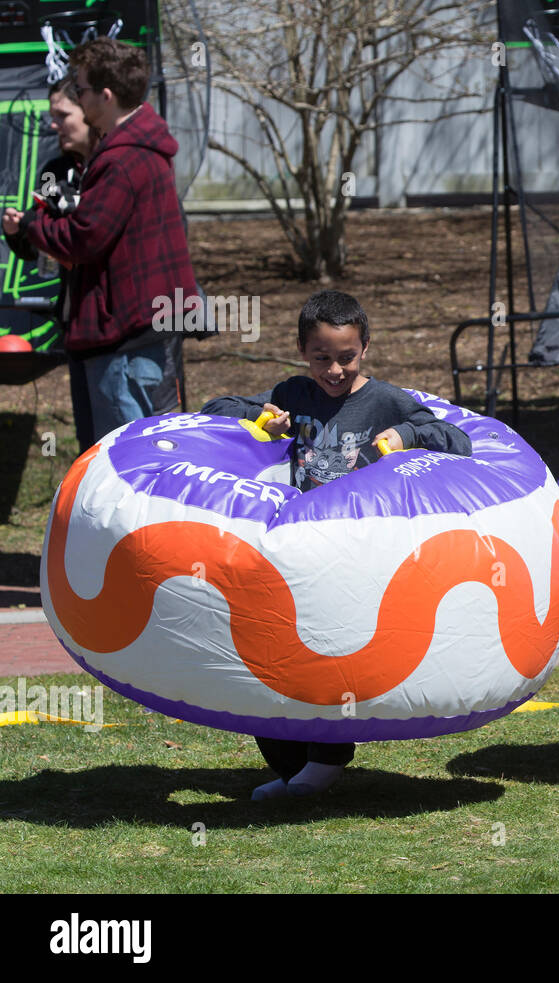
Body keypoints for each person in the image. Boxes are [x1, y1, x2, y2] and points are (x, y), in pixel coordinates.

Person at [202, 290, 474, 800]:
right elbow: (216, 407)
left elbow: (455, 439)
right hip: (299, 546)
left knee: (331, 654)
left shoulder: (385, 400)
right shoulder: (293, 392)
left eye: (346, 357)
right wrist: (262, 421)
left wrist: (402, 437)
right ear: (303, 350)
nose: (333, 369)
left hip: (356, 550)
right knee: (272, 652)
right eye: (321, 357)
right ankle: (291, 766)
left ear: (365, 348)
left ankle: (326, 760)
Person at [1, 37, 197, 444]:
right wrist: (31, 231)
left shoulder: (122, 159)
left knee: (128, 460)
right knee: (116, 454)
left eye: (81, 93)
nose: (55, 124)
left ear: (103, 97)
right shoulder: (123, 153)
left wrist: (34, 228)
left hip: (127, 339)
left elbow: (83, 238)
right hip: (112, 334)